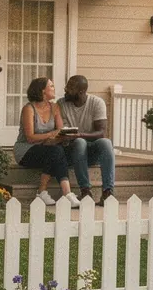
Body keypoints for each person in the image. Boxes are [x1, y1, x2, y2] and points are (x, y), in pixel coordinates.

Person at [13, 77, 81, 208]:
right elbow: (30, 137)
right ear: (42, 91)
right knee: (56, 152)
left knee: (58, 151)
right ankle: (60, 192)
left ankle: (51, 193)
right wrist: (50, 135)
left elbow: (60, 131)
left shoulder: (55, 107)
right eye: (52, 86)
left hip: (48, 148)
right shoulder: (29, 109)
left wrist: (63, 135)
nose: (54, 88)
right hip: (26, 150)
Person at [58, 75, 115, 204]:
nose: (66, 90)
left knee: (106, 142)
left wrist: (80, 135)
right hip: (72, 151)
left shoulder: (96, 102)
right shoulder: (61, 104)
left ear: (81, 92)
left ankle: (108, 192)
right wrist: (75, 137)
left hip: (92, 150)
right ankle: (85, 190)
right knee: (79, 142)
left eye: (70, 88)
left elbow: (101, 132)